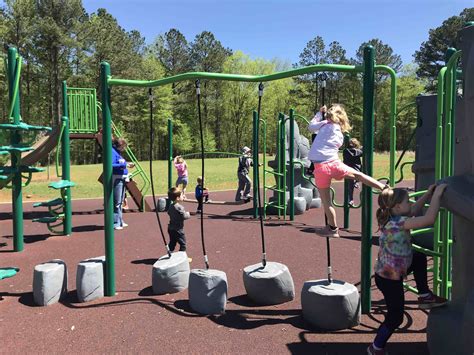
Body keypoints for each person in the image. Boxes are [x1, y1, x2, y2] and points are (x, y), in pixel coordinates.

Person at [368, 184, 448, 355]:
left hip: (393, 270)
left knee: (418, 257)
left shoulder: (392, 217)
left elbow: (413, 210)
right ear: (397, 207)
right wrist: (437, 196)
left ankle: (424, 295)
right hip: (389, 279)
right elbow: (428, 219)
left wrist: (427, 194)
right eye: (407, 201)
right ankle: (375, 348)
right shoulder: (397, 223)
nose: (410, 203)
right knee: (395, 317)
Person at [308, 104, 385, 238]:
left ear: (329, 116)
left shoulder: (324, 124)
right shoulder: (339, 131)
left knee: (327, 201)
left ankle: (333, 229)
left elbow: (311, 127)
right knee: (359, 175)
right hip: (333, 164)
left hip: (320, 168)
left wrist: (319, 114)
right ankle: (383, 187)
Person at [112, 137, 135, 230]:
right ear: (120, 145)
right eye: (123, 147)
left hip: (122, 178)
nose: (124, 149)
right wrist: (124, 165)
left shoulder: (118, 153)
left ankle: (120, 221)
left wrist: (127, 164)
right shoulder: (112, 152)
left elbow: (121, 163)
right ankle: (115, 223)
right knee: (117, 202)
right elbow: (111, 164)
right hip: (117, 178)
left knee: (120, 202)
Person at [167, 187, 191, 252]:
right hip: (178, 229)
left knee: (172, 242)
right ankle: (182, 256)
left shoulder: (171, 206)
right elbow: (184, 216)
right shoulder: (179, 207)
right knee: (183, 243)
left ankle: (169, 253)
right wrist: (188, 214)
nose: (183, 196)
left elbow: (169, 213)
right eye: (181, 195)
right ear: (177, 198)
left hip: (171, 228)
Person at [342, 138, 363, 206]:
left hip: (347, 170)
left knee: (349, 187)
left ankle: (350, 200)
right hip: (356, 170)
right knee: (359, 178)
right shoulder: (356, 151)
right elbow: (361, 151)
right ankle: (356, 182)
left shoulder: (345, 151)